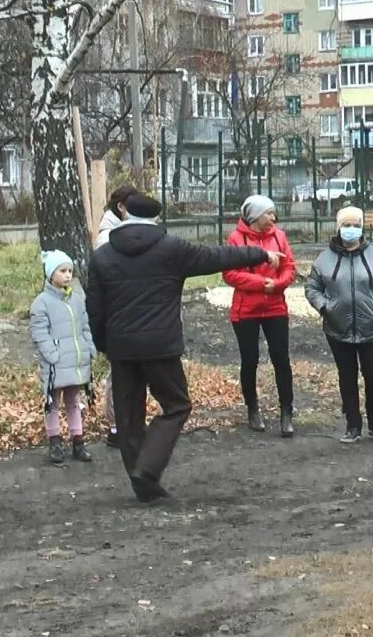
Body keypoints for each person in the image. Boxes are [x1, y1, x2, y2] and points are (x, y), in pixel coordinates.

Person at [87, 193, 282, 502]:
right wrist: (259, 255)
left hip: (122, 347)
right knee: (177, 405)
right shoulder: (172, 249)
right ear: (155, 218)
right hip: (161, 345)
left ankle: (142, 480)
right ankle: (148, 469)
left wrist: (104, 344)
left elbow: (95, 309)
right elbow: (218, 257)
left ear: (125, 215)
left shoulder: (102, 256)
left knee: (127, 416)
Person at [305, 205, 373, 444]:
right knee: (347, 376)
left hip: (371, 328)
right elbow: (312, 288)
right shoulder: (324, 259)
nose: (352, 230)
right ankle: (352, 425)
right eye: (347, 225)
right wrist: (325, 307)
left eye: (356, 225)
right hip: (338, 329)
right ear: (339, 228)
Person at [223, 195, 297, 438]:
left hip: (275, 307)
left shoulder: (279, 237)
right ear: (255, 216)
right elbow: (230, 274)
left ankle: (286, 412)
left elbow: (290, 268)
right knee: (250, 359)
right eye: (268, 214)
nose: (273, 218)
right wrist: (261, 283)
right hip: (246, 310)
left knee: (281, 359)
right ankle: (252, 408)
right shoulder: (237, 239)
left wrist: (276, 285)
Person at [30, 249, 95, 466]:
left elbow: (84, 326)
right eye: (62, 271)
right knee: (52, 403)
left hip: (75, 362)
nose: (67, 275)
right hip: (56, 364)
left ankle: (78, 440)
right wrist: (52, 354)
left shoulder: (76, 299)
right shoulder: (42, 302)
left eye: (70, 271)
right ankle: (55, 441)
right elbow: (39, 332)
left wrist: (89, 347)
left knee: (74, 402)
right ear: (51, 274)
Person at [95, 184, 139, 449]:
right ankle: (116, 426)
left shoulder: (122, 231)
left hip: (130, 313)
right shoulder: (107, 238)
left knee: (130, 373)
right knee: (119, 375)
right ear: (121, 207)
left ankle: (128, 423)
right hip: (119, 315)